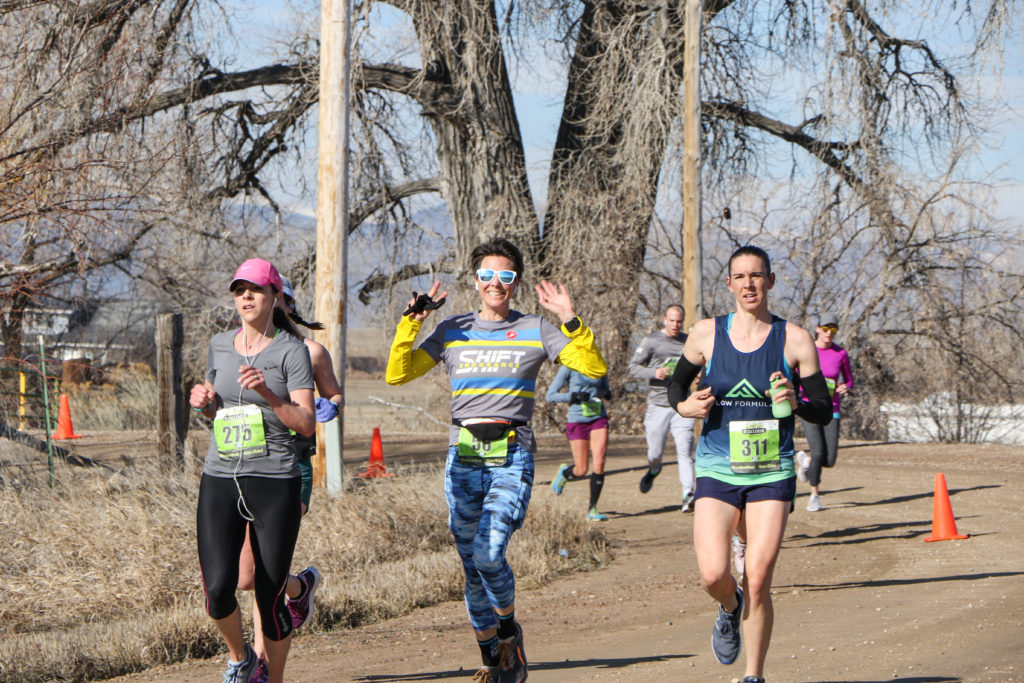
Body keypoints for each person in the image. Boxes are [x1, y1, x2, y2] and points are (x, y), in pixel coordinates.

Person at [385, 237, 606, 683]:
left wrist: (569, 319)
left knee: (489, 553)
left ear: (516, 282)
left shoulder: (535, 329)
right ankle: (495, 658)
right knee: (471, 566)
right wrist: (412, 324)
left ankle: (509, 631)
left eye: (505, 276)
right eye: (487, 275)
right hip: (463, 457)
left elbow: (593, 368)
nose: (495, 283)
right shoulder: (453, 329)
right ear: (475, 280)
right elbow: (397, 374)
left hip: (512, 454)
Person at [667, 245, 833, 683]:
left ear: (771, 281)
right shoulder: (706, 334)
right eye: (740, 277)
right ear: (729, 284)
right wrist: (685, 408)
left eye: (757, 276)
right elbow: (677, 385)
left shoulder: (794, 339)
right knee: (713, 573)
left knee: (758, 577)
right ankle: (728, 606)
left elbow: (823, 406)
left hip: (771, 474)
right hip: (717, 470)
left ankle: (753, 675)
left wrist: (796, 402)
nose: (749, 284)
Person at [189, 258, 316, 683]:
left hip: (275, 479)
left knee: (268, 595)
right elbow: (217, 411)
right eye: (239, 289)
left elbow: (305, 422)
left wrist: (267, 392)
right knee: (218, 588)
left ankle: (272, 679)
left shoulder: (291, 351)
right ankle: (241, 658)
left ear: (275, 298)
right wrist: (205, 403)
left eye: (256, 289)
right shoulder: (219, 345)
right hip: (221, 476)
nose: (246, 296)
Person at [236, 276, 343, 681]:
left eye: (279, 302)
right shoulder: (239, 349)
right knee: (246, 576)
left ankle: (262, 666)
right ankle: (300, 588)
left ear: (284, 304)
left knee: (265, 572)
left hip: (290, 469)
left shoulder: (309, 351)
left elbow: (334, 394)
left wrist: (328, 406)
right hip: (245, 468)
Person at [627, 304, 697, 511]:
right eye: (672, 320)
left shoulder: (688, 342)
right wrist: (654, 373)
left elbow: (698, 365)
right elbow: (633, 367)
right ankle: (654, 469)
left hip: (682, 405)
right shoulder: (652, 341)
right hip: (658, 405)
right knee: (655, 453)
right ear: (664, 319)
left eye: (679, 321)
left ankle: (688, 494)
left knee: (685, 450)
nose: (676, 325)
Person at [795, 312, 853, 512]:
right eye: (826, 328)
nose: (829, 333)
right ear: (818, 328)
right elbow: (795, 376)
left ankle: (807, 462)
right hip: (809, 406)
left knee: (829, 459)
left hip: (832, 409)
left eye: (833, 329)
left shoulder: (841, 354)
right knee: (818, 451)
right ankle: (814, 496)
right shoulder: (808, 349)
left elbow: (849, 379)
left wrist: (846, 387)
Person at [547, 364, 612, 521]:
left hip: (598, 417)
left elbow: (606, 390)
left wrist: (606, 393)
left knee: (599, 462)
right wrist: (573, 396)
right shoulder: (569, 366)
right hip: (577, 420)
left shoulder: (599, 363)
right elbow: (550, 396)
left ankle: (593, 509)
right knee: (581, 469)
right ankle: (564, 473)